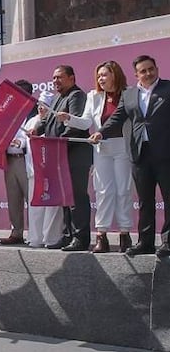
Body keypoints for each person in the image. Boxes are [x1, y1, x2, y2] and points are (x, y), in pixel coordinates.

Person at [92, 55, 170, 257]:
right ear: (136, 74)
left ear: (156, 68)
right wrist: (101, 132)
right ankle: (145, 242)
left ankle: (168, 242)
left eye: (151, 69)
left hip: (165, 153)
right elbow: (118, 117)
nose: (148, 73)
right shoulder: (129, 95)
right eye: (143, 71)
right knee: (145, 200)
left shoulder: (167, 89)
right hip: (140, 154)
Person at [62, 61, 133, 253]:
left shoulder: (128, 94)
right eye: (99, 76)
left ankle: (125, 234)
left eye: (105, 75)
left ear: (115, 75)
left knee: (123, 191)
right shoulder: (93, 96)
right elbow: (85, 123)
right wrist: (69, 118)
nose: (101, 79)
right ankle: (101, 235)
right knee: (103, 191)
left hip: (123, 148)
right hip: (101, 148)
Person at [37, 65, 93, 251]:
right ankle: (68, 235)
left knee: (77, 197)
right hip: (60, 155)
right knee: (65, 198)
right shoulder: (56, 99)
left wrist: (58, 144)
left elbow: (75, 125)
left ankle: (81, 238)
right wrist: (36, 129)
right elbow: (46, 122)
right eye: (53, 78)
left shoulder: (76, 95)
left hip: (75, 154)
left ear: (72, 78)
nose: (55, 81)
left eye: (60, 77)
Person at [26, 91, 65, 248]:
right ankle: (35, 238)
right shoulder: (31, 122)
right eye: (39, 106)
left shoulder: (55, 122)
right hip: (33, 171)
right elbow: (22, 143)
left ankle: (51, 238)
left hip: (52, 171)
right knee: (35, 207)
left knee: (52, 207)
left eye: (45, 106)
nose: (41, 109)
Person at [1, 79, 35, 245]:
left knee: (31, 197)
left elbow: (33, 135)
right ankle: (17, 232)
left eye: (17, 92)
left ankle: (35, 232)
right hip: (9, 160)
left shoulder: (35, 112)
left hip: (26, 159)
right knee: (13, 198)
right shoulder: (8, 112)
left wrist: (20, 143)